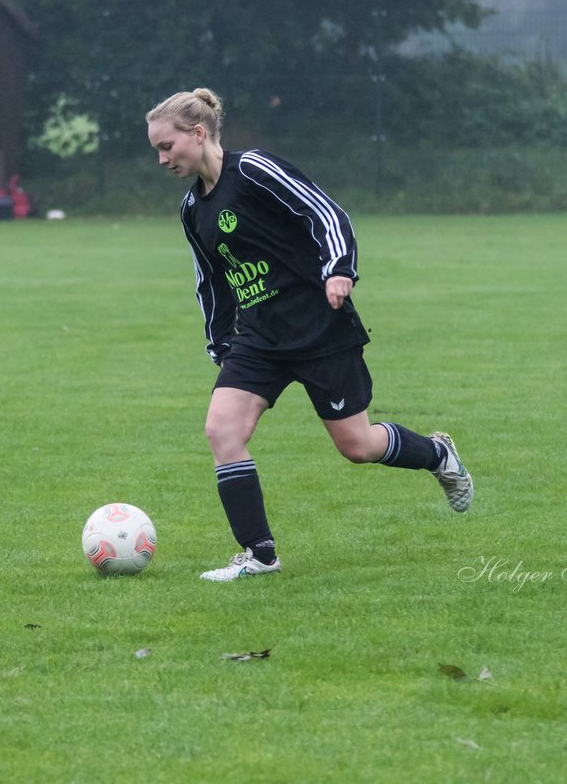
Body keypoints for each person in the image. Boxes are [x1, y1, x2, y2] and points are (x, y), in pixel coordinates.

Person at [146, 88, 473, 582]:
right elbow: (209, 279)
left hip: (319, 328)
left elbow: (325, 213)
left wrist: (340, 268)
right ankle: (259, 554)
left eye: (167, 146)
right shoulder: (193, 208)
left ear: (198, 133)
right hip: (257, 338)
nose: (162, 158)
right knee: (223, 431)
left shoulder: (254, 169)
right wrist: (218, 339)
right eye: (157, 150)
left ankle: (438, 454)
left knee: (357, 445)